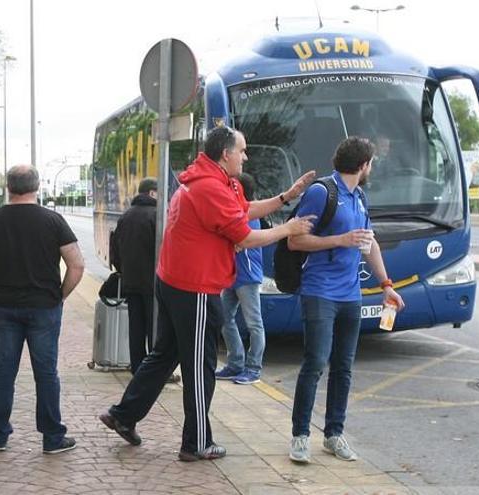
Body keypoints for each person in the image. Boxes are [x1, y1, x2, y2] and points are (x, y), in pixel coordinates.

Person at [99, 126, 316, 462]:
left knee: (163, 356)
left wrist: (286, 197)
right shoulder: (210, 188)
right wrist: (288, 228)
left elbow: (243, 210)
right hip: (195, 288)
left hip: (174, 282)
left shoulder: (208, 181)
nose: (245, 157)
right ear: (225, 154)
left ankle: (123, 415)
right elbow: (244, 236)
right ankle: (197, 442)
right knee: (200, 368)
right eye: (242, 151)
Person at [287, 136, 405, 464]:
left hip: (350, 295)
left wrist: (386, 285)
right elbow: (295, 241)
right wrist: (339, 239)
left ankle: (334, 435)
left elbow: (369, 243)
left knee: (344, 367)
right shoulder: (322, 192)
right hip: (319, 292)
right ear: (363, 165)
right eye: (372, 163)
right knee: (314, 363)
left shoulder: (360, 197)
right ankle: (300, 436)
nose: (372, 168)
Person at [0, 164, 85, 454]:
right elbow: (77, 264)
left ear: (9, 187)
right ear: (37, 187)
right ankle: (52, 437)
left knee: (4, 370)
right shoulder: (53, 220)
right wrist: (60, 295)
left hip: (6, 306)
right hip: (44, 307)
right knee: (46, 372)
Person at [215, 172, 266, 385]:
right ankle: (235, 363)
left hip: (248, 277)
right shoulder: (236, 212)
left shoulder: (249, 214)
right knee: (225, 319)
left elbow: (238, 241)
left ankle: (253, 368)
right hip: (232, 276)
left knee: (254, 324)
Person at [109, 177, 157, 374]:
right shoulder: (158, 216)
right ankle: (153, 370)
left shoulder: (125, 216)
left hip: (130, 282)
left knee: (136, 327)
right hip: (154, 283)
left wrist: (123, 271)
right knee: (154, 327)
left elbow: (114, 250)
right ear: (152, 193)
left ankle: (137, 368)